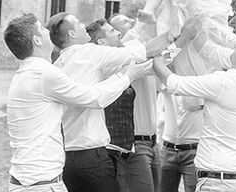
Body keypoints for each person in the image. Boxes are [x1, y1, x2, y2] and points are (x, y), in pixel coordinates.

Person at [4, 13, 152, 192]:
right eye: (42, 29)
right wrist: (128, 76)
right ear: (36, 40)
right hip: (41, 183)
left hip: (30, 180)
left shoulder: (25, 75)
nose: (47, 32)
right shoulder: (44, 73)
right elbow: (93, 98)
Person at [47, 14, 161, 192]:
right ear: (72, 34)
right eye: (78, 24)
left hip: (67, 157)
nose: (83, 24)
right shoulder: (90, 53)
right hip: (94, 155)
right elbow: (143, 52)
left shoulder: (59, 65)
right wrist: (176, 36)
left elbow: (149, 61)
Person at [153, 32, 236, 192]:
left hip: (218, 181)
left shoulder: (223, 82)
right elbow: (208, 48)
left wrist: (157, 57)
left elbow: (174, 83)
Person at [110, 14, 161, 192]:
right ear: (116, 32)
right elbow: (156, 54)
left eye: (131, 20)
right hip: (137, 144)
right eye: (125, 22)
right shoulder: (125, 57)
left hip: (154, 142)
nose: (131, 22)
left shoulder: (146, 53)